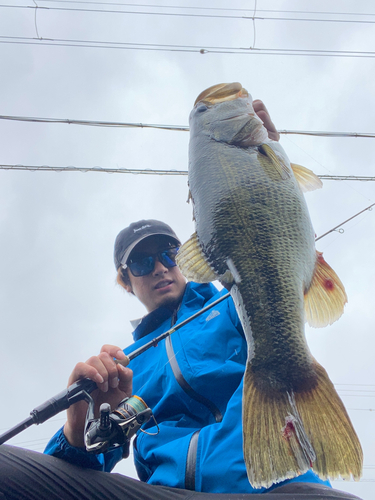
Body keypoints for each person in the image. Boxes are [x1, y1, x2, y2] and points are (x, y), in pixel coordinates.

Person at [0, 103, 362, 500]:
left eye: (168, 253)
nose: (158, 267)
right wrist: (79, 424)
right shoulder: (128, 366)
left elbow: (274, 267)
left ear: (191, 254)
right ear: (125, 282)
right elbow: (86, 463)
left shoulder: (231, 305)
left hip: (277, 487)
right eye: (141, 261)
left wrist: (265, 167)